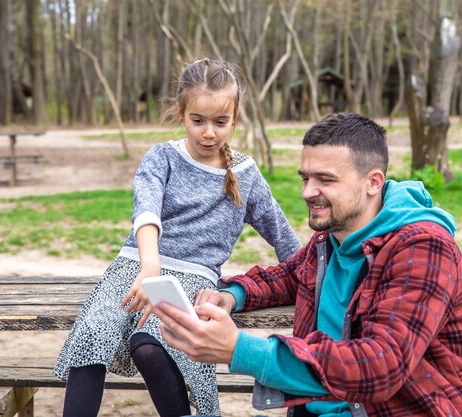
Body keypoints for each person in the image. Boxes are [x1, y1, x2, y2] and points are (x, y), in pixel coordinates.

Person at [155, 112, 462, 417]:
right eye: (305, 178)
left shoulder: (423, 247)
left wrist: (238, 349)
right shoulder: (332, 237)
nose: (307, 192)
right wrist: (232, 295)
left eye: (325, 180)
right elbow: (290, 275)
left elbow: (381, 366)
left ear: (373, 182)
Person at [53, 58, 301, 417]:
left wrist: (313, 274)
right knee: (97, 332)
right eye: (197, 121)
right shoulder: (162, 157)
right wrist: (149, 265)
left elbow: (281, 233)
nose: (208, 133)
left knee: (151, 342)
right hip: (138, 263)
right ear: (180, 113)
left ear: (235, 119)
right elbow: (147, 210)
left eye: (220, 122)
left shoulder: (245, 173)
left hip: (195, 275)